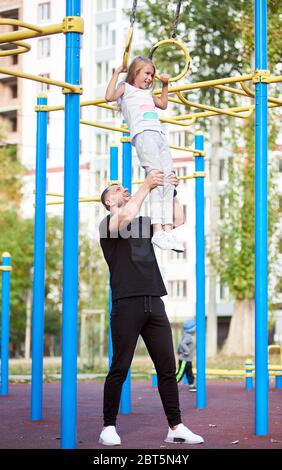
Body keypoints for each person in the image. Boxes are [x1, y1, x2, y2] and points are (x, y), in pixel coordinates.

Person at [98, 171, 204, 446]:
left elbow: (177, 219)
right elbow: (122, 218)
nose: (124, 190)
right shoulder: (108, 225)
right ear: (109, 202)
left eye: (124, 187)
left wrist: (171, 192)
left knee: (167, 368)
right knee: (120, 366)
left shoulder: (144, 224)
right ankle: (108, 426)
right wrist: (146, 185)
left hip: (154, 301)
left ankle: (175, 426)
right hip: (126, 304)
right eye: (117, 189)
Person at [105, 56, 183, 252]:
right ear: (135, 73)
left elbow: (164, 104)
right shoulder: (126, 87)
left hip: (158, 134)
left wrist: (165, 85)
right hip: (143, 134)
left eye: (152, 75)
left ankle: (167, 230)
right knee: (156, 178)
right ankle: (157, 230)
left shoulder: (148, 93)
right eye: (147, 74)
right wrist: (116, 73)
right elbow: (109, 96)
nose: (150, 78)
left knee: (168, 178)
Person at [176, 320, 196, 391]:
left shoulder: (185, 336)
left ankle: (191, 385)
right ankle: (171, 385)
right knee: (180, 374)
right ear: (192, 330)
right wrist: (187, 351)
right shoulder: (188, 337)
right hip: (184, 359)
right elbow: (182, 343)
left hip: (188, 360)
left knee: (189, 373)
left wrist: (178, 351)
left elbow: (180, 344)